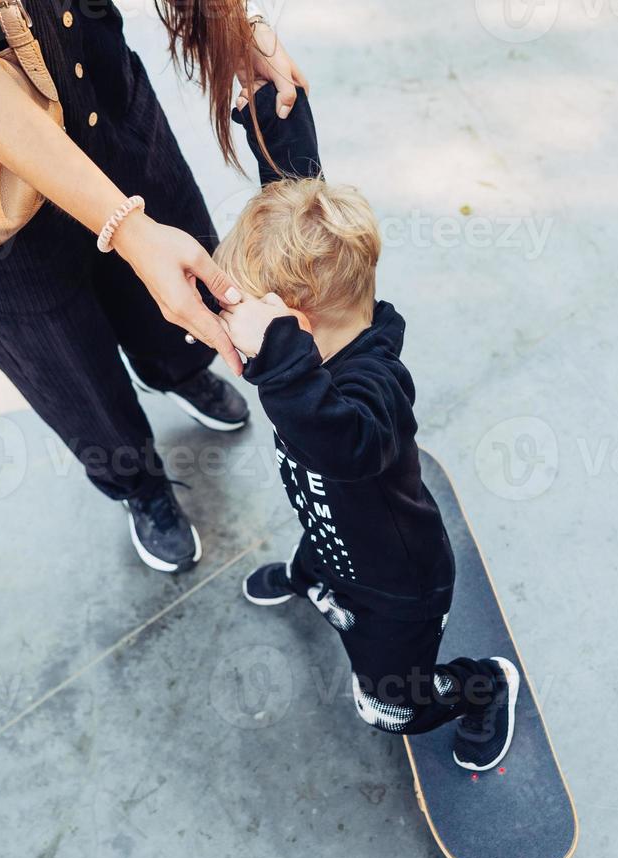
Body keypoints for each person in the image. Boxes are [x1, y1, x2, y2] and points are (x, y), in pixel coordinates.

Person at [0, 0, 309, 572]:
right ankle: (138, 483)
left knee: (177, 295)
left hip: (98, 82)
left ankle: (176, 371)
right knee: (64, 359)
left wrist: (235, 26)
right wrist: (125, 228)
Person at [214, 89, 519, 770]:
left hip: (395, 584)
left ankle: (485, 686)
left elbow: (341, 442)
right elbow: (299, 203)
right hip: (335, 533)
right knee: (322, 543)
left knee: (388, 707)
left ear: (297, 320)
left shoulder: (375, 388)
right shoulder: (320, 323)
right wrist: (272, 116)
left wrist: (278, 354)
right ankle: (311, 574)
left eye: (248, 314)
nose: (235, 326)